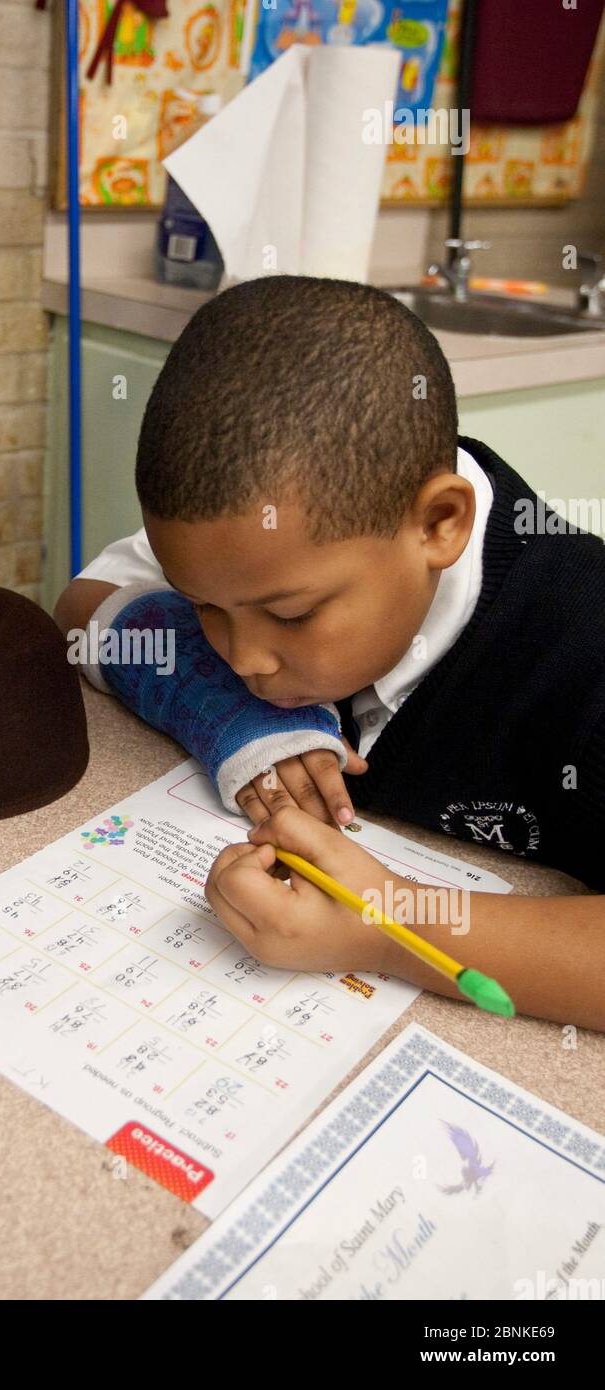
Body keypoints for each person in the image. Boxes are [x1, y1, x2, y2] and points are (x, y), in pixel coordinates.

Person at [54, 276, 605, 1029]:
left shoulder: (581, 643)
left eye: (292, 614)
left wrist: (388, 924)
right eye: (205, 608)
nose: (244, 658)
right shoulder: (258, 547)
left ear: (439, 525)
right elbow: (81, 609)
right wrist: (221, 711)